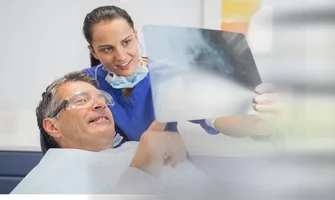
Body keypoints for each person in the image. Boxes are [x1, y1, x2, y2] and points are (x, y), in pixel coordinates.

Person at [80, 5, 281, 147]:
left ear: (136, 35)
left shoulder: (169, 75)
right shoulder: (83, 86)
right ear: (94, 51)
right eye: (107, 49)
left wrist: (257, 124)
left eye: (126, 42)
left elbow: (218, 118)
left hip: (169, 169)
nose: (121, 56)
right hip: (115, 173)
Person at [12, 71, 214, 194]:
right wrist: (143, 168)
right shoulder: (48, 182)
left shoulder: (135, 149)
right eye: (81, 100)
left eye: (102, 98)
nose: (100, 104)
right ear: (53, 127)